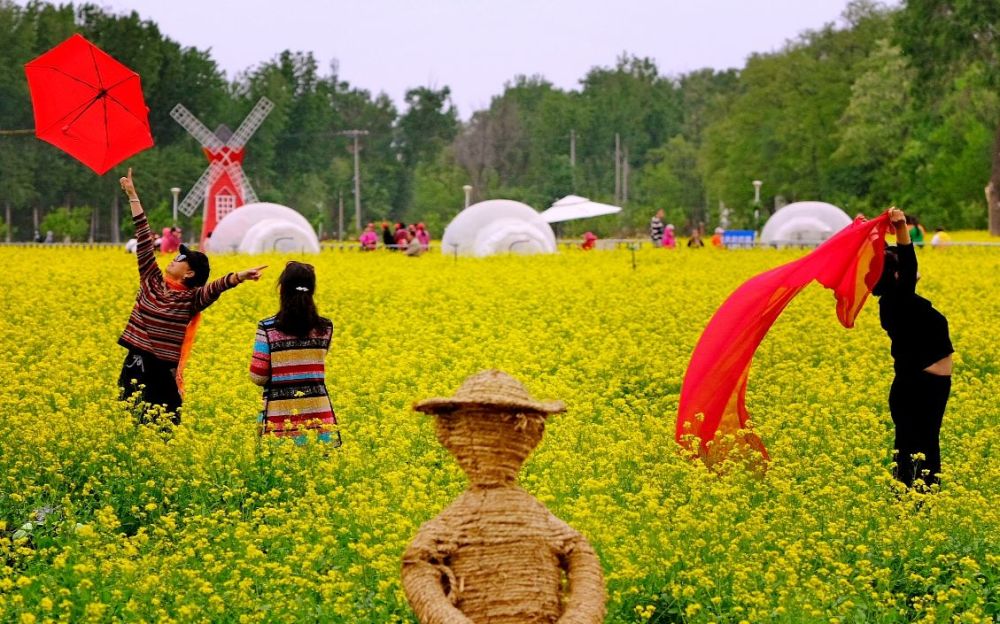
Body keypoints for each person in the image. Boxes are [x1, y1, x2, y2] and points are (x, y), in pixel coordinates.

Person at [117, 168, 266, 424]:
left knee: (162, 427)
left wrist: (239, 276)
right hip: (134, 364)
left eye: (181, 259)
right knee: (131, 423)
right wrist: (132, 195)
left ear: (189, 274)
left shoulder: (191, 299)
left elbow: (216, 287)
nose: (174, 258)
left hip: (162, 372)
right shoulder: (151, 280)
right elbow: (143, 238)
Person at [874, 208, 953, 489]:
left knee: (922, 448)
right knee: (917, 450)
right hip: (917, 387)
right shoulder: (898, 301)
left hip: (926, 387)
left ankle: (918, 510)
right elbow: (907, 262)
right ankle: (911, 509)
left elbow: (898, 263)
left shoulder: (900, 301)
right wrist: (900, 228)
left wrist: (876, 235)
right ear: (896, 276)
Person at [250, 261, 341, 446]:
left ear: (282, 289)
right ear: (312, 290)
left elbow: (258, 376)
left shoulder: (267, 328)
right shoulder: (325, 328)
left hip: (279, 422)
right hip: (320, 420)